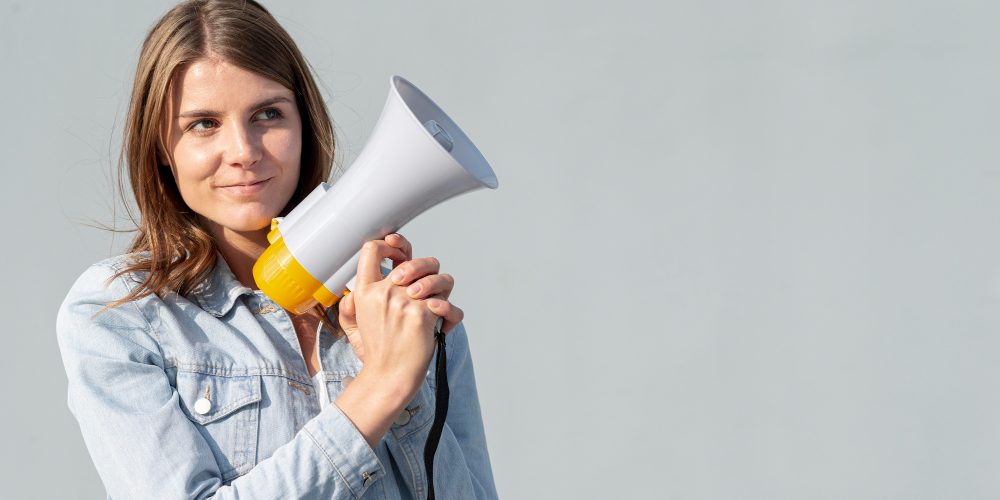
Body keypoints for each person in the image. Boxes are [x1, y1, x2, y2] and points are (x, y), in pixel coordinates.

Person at [55, 1, 497, 498]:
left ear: (304, 124)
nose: (244, 151)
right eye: (203, 124)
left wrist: (409, 368)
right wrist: (384, 385)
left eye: (268, 114)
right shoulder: (120, 315)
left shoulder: (403, 314)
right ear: (160, 145)